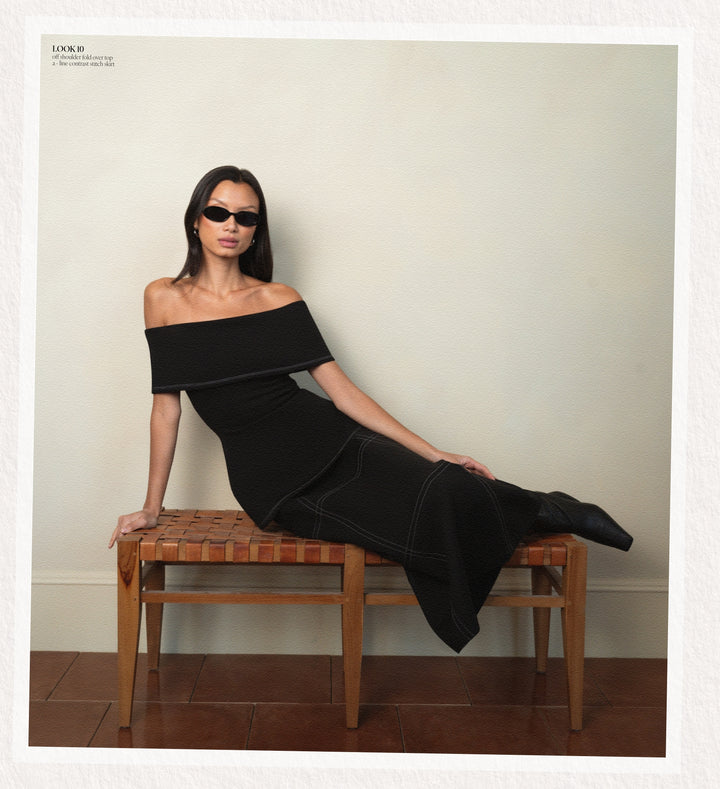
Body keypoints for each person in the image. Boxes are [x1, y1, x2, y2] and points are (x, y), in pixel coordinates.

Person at [109, 165, 633, 653]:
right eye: (218, 212)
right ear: (196, 219)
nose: (231, 225)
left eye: (245, 216)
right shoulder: (163, 298)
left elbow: (343, 393)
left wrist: (432, 450)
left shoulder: (277, 299)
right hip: (272, 481)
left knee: (444, 482)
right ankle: (543, 509)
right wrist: (152, 506)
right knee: (408, 525)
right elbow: (165, 408)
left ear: (255, 230)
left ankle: (556, 508)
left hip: (331, 438)